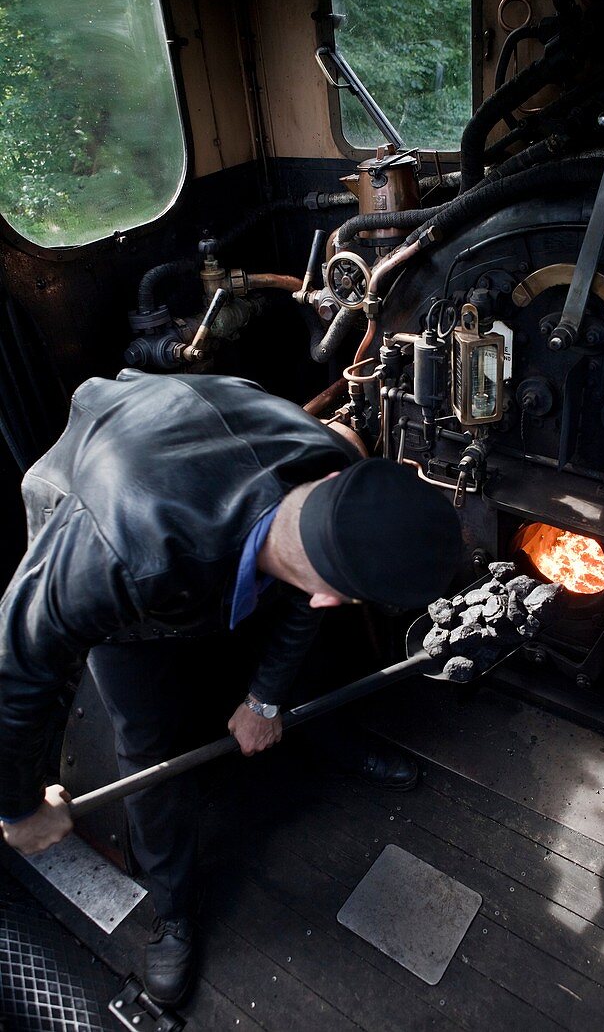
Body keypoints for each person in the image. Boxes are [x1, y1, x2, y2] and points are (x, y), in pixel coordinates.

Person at [0, 368, 462, 1007]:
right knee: (148, 741)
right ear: (334, 593)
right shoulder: (118, 558)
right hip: (107, 514)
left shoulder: (328, 460)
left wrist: (265, 698)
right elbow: (18, 662)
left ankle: (328, 737)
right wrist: (19, 810)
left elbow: (310, 588)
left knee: (316, 649)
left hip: (217, 505)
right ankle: (173, 910)